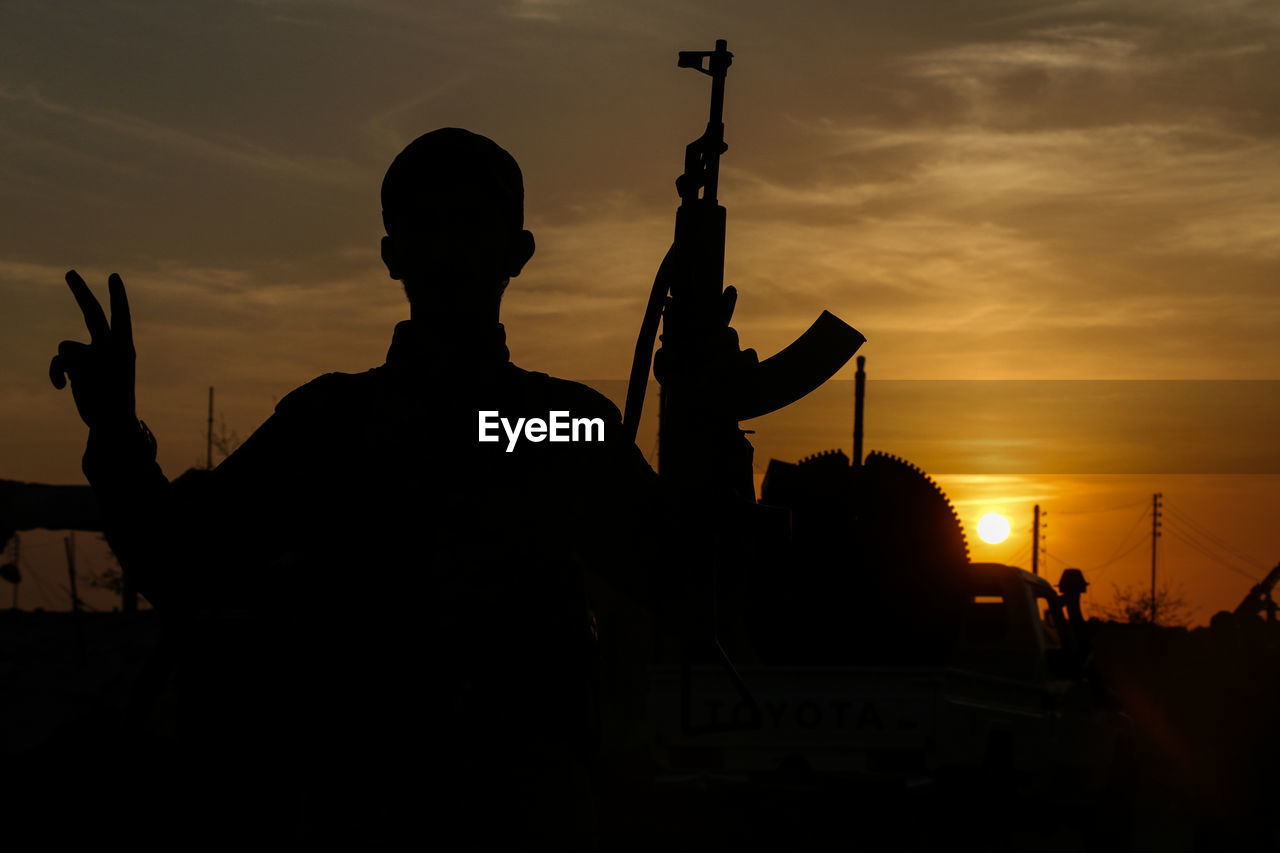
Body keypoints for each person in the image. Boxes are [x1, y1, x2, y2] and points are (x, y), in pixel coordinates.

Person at [50, 128, 665, 848]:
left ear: (516, 252)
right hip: (365, 811)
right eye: (425, 226)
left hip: (523, 812)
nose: (447, 251)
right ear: (391, 254)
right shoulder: (331, 424)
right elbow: (185, 565)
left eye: (469, 224)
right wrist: (117, 432)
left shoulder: (554, 425)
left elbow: (683, 574)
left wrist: (706, 410)